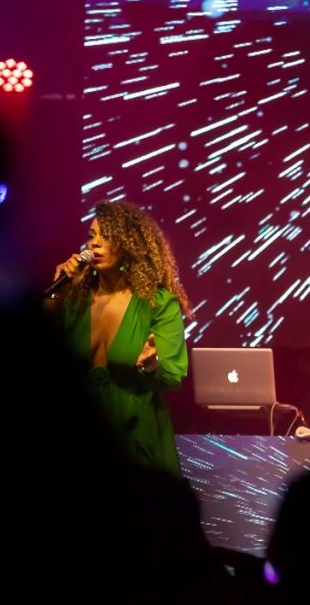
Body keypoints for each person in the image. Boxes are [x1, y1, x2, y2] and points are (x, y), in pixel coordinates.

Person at [51, 200, 192, 475]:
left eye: (107, 236)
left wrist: (151, 366)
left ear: (130, 244)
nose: (95, 243)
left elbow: (173, 376)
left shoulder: (156, 302)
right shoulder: (73, 297)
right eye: (92, 236)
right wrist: (60, 291)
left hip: (135, 434)